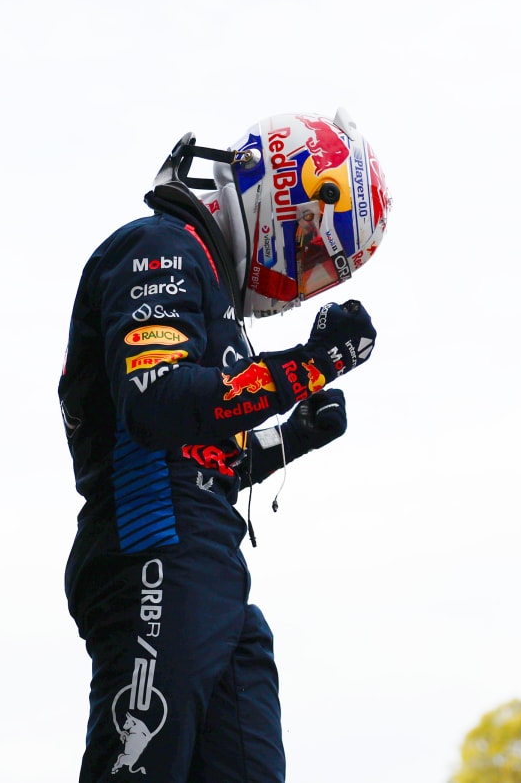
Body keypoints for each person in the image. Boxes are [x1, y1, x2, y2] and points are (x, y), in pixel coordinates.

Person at [58, 109, 391, 781]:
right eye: (311, 251)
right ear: (284, 193)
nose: (304, 281)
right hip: (153, 553)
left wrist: (294, 437)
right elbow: (158, 404)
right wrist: (306, 366)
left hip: (210, 574)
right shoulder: (159, 247)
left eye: (324, 273)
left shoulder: (208, 287)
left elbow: (209, 459)